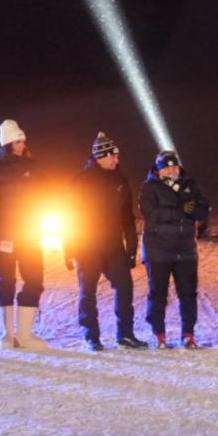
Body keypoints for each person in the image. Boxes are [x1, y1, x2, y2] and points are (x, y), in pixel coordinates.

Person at [0, 119, 52, 350]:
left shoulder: (33, 165)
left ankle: (25, 334)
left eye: (22, 141)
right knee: (6, 281)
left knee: (34, 279)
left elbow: (47, 192)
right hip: (3, 235)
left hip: (29, 232)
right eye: (17, 141)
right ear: (7, 143)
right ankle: (8, 335)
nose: (22, 145)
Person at [69, 132, 144, 351]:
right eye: (113, 156)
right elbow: (70, 215)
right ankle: (92, 336)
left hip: (113, 247)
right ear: (101, 157)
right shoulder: (81, 181)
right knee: (88, 292)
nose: (117, 160)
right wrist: (69, 247)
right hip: (87, 248)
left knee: (125, 287)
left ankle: (125, 335)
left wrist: (131, 247)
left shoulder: (120, 180)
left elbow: (127, 218)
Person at [141, 149, 210, 347]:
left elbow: (203, 208)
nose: (172, 170)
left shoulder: (190, 185)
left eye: (175, 166)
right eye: (167, 167)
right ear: (159, 170)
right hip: (158, 250)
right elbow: (151, 214)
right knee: (158, 294)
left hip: (185, 250)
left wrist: (195, 212)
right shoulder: (149, 187)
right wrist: (181, 210)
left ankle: (188, 334)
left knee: (188, 293)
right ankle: (159, 334)